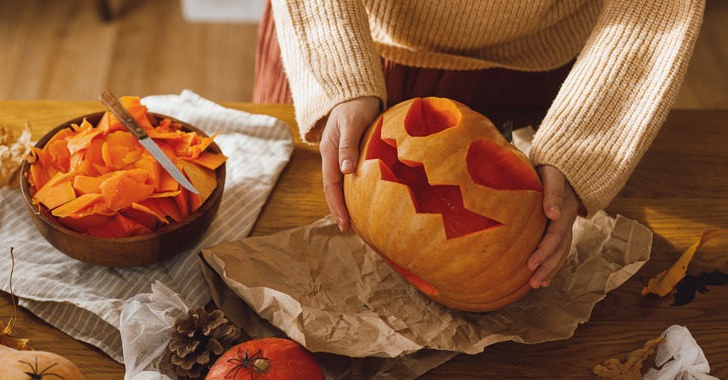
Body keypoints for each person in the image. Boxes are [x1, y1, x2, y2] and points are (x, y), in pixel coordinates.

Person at [253, 0, 705, 289]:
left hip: (549, 72)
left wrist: (580, 145)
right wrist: (339, 74)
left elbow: (656, 11)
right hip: (339, 36)